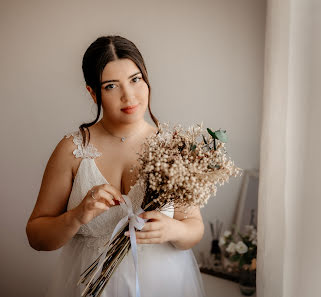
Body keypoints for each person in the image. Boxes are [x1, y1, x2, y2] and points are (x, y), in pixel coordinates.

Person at [25, 35, 206, 297]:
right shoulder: (72, 150)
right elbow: (36, 236)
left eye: (135, 80)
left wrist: (173, 229)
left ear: (146, 78)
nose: (128, 96)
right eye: (111, 86)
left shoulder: (174, 148)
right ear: (93, 92)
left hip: (164, 284)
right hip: (88, 284)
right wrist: (76, 216)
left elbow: (194, 228)